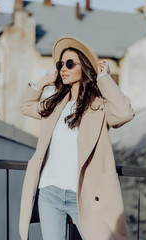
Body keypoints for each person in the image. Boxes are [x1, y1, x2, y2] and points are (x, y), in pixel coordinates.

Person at [19, 36, 135, 240]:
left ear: (85, 67)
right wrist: (43, 82)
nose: (63, 68)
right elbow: (26, 107)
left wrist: (104, 78)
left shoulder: (98, 106)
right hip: (49, 192)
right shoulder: (55, 104)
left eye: (70, 64)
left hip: (84, 195)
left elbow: (125, 113)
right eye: (60, 64)